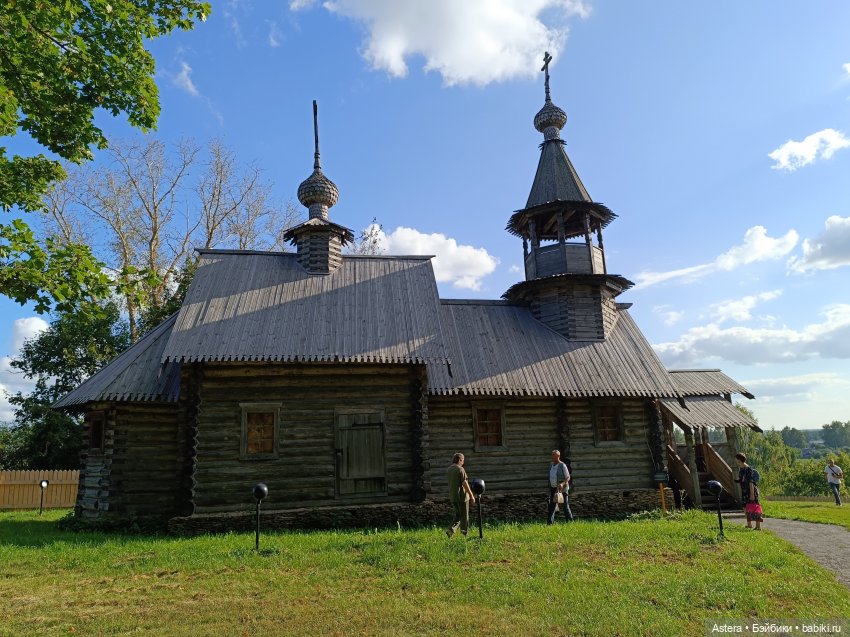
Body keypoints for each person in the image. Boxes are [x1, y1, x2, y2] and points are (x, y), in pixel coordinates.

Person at [446, 452, 476, 537]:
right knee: (464, 517)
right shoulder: (460, 469)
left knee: (458, 515)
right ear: (460, 460)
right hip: (462, 497)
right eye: (463, 461)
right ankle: (464, 535)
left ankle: (450, 530)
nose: (463, 463)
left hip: (453, 496)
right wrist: (471, 496)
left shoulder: (449, 469)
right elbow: (464, 483)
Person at [735, 452, 763, 530]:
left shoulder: (748, 469)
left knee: (755, 507)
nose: (735, 461)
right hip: (744, 491)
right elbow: (742, 479)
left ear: (739, 460)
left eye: (736, 459)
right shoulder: (741, 469)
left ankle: (758, 526)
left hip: (751, 491)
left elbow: (751, 482)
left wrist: (752, 495)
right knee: (745, 507)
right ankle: (749, 524)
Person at [547, 449, 574, 524]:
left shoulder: (562, 465)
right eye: (552, 454)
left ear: (558, 456)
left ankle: (570, 521)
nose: (552, 456)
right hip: (553, 488)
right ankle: (549, 523)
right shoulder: (551, 465)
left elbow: (568, 477)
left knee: (565, 506)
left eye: (553, 455)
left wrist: (562, 484)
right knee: (552, 506)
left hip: (562, 489)